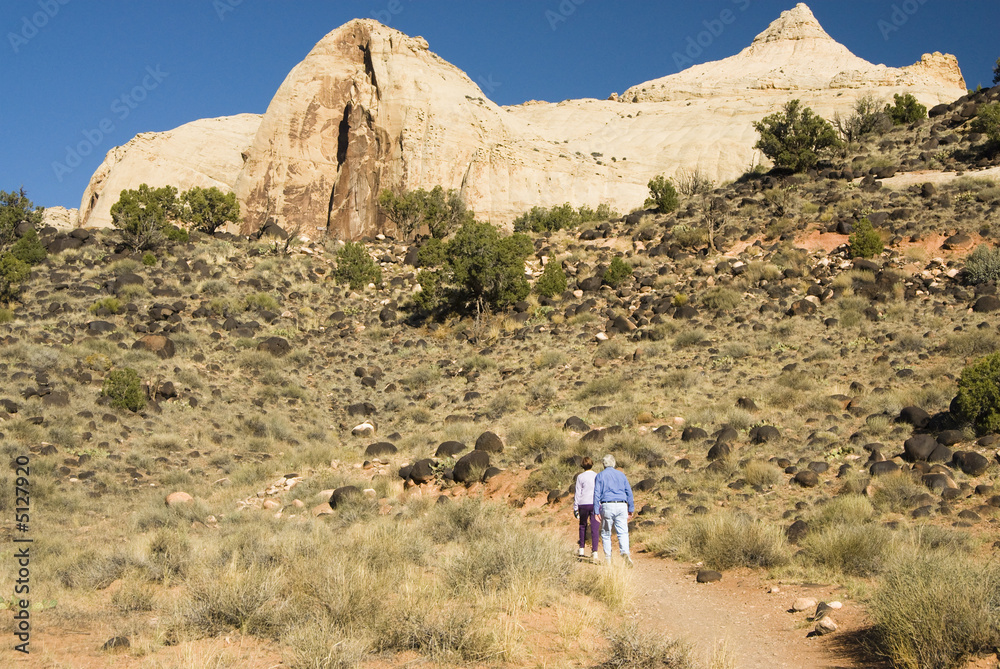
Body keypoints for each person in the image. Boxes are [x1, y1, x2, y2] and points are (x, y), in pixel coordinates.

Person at [593, 454, 635, 567]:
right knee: (623, 532)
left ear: (603, 464)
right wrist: (631, 508)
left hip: (607, 505)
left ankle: (608, 559)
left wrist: (596, 511)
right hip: (622, 505)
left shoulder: (600, 476)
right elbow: (629, 492)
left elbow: (596, 494)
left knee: (606, 533)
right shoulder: (621, 475)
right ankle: (625, 552)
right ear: (614, 463)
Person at [573, 457, 599, 560]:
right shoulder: (597, 476)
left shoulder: (580, 477)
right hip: (594, 503)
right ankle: (595, 551)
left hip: (583, 503)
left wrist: (575, 507)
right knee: (595, 527)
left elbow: (578, 492)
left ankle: (581, 548)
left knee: (582, 525)